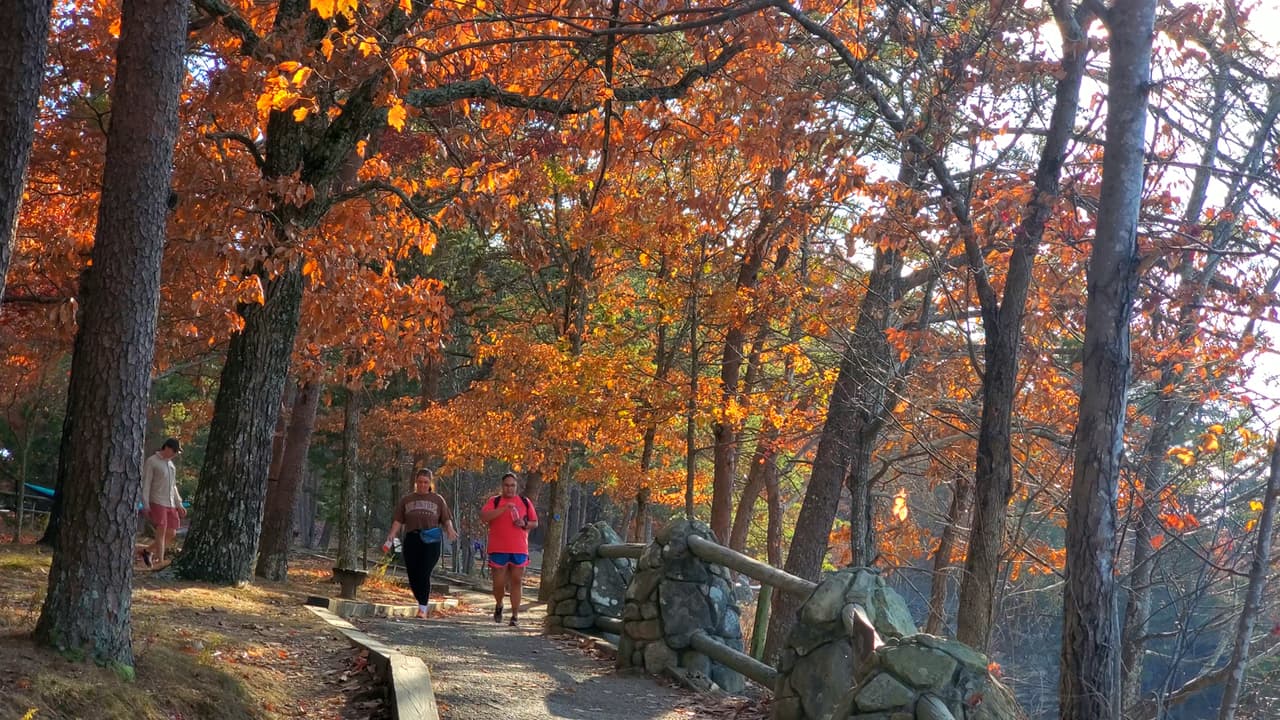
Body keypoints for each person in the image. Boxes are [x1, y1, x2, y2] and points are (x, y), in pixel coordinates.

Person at [383, 468, 458, 619]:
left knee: (424, 572)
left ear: (430, 483)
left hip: (431, 539)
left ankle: (422, 608)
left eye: (426, 482)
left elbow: (446, 518)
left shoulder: (437, 499)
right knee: (412, 573)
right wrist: (391, 536)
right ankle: (421, 602)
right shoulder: (407, 500)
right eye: (420, 482)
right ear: (415, 482)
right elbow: (398, 520)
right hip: (412, 538)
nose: (423, 485)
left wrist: (450, 529)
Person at [479, 471, 538, 626]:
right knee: (498, 584)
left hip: (519, 548)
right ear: (502, 486)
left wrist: (524, 524)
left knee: (516, 581)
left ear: (516, 486)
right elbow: (484, 517)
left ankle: (515, 616)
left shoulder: (525, 502)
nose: (510, 489)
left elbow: (534, 522)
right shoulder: (495, 501)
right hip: (498, 548)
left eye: (512, 486)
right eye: (507, 485)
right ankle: (499, 604)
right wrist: (503, 509)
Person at [140, 437, 186, 567]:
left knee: (172, 532)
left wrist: (179, 504)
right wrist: (146, 503)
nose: (175, 454)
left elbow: (173, 486)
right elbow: (146, 483)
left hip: (170, 502)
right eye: (174, 451)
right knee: (161, 530)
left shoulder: (171, 465)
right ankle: (160, 561)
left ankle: (147, 551)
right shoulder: (152, 462)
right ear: (166, 448)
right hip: (157, 500)